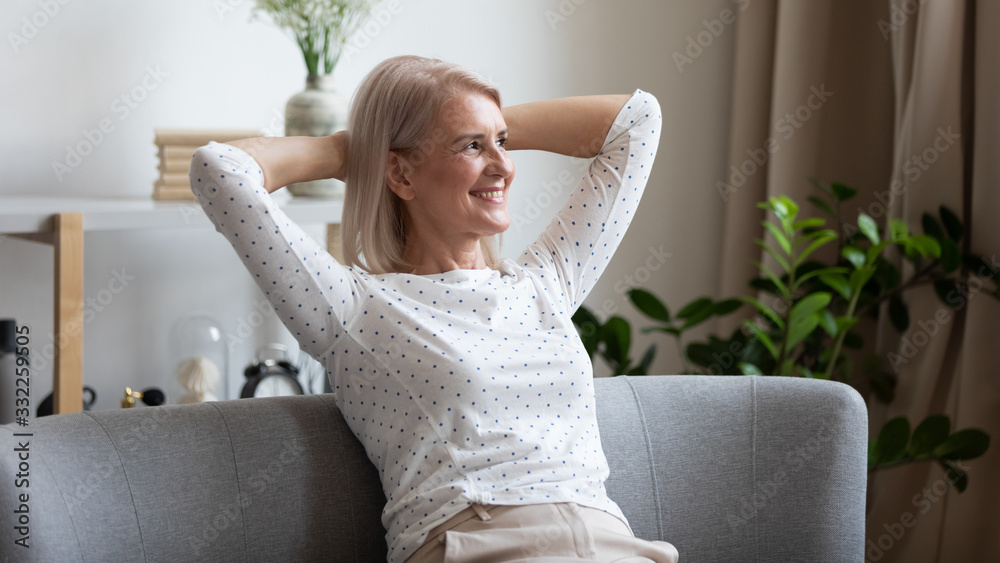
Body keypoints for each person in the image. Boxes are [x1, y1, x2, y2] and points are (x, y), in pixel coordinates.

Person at [191, 55, 674, 563]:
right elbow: (219, 171)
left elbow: (637, 121)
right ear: (399, 173)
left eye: (503, 143)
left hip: (614, 544)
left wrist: (481, 126)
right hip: (477, 543)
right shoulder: (354, 309)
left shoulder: (544, 283)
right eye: (472, 146)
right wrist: (354, 150)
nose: (504, 166)